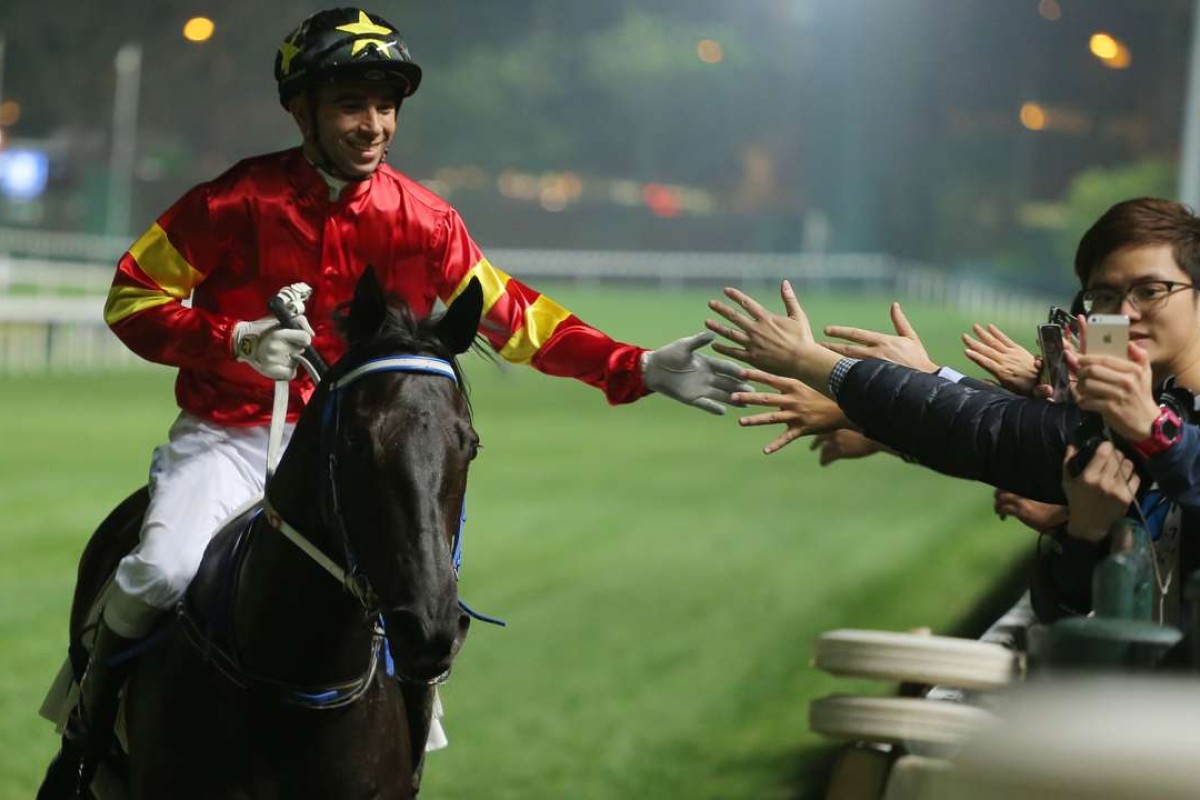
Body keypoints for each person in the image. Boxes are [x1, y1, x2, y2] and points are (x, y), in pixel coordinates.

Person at [39, 8, 750, 796]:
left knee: (420, 598)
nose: (372, 125)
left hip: (354, 455)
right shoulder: (232, 201)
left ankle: (402, 757)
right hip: (229, 437)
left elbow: (516, 317)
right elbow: (132, 300)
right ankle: (87, 741)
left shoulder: (424, 221)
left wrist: (636, 366)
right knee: (160, 571)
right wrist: (234, 339)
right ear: (301, 109)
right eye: (351, 104)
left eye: (385, 106)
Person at [705, 198, 1200, 628]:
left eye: (1150, 291)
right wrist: (1081, 535)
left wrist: (815, 365)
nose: (1124, 313)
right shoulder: (1137, 421)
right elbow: (1061, 607)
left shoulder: (1157, 424)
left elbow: (1000, 433)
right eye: (1104, 297)